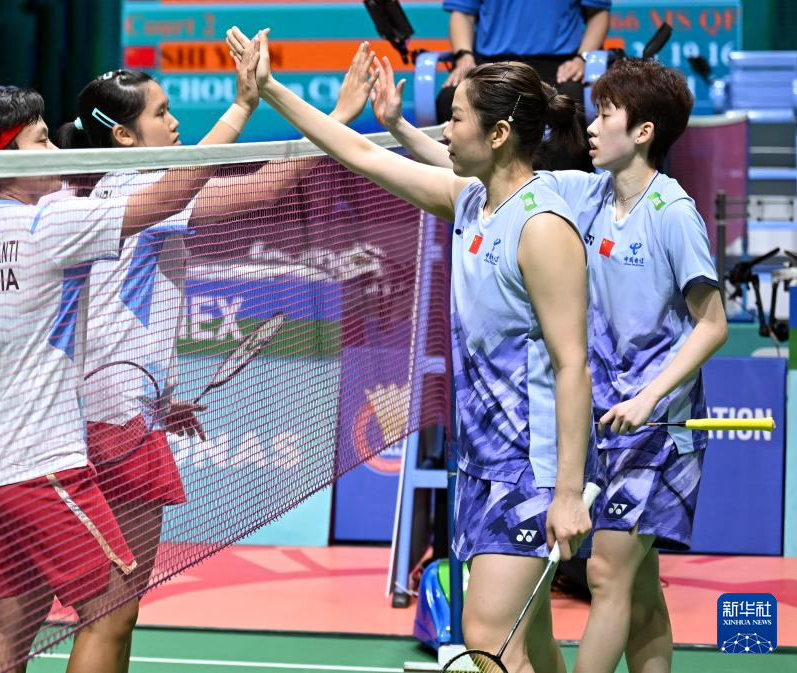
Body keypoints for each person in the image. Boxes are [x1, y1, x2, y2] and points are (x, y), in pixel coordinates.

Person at [226, 28, 594, 673]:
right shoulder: (472, 201)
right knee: (531, 642)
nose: (446, 131)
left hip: (526, 469)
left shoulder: (541, 227)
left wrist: (566, 493)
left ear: (498, 134)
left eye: (457, 119)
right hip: (480, 458)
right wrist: (272, 89)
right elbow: (360, 154)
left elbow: (573, 365)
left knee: (487, 636)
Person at [372, 55, 729, 673]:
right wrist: (399, 128)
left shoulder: (673, 214)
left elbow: (713, 324)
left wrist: (649, 397)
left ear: (643, 132)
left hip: (654, 427)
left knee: (607, 573)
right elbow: (479, 175)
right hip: (599, 419)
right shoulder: (587, 193)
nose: (591, 126)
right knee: (641, 593)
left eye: (606, 114)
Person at [53, 44, 377, 670]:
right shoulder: (144, 191)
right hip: (119, 428)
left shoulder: (100, 194)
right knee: (110, 615)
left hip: (106, 414)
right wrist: (332, 115)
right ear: (123, 136)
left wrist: (157, 399)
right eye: (161, 113)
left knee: (114, 615)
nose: (174, 121)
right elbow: (263, 186)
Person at [0, 86, 216, 673]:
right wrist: (243, 107)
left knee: (13, 627)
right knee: (112, 609)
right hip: (43, 463)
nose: (56, 151)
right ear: (8, 159)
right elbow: (170, 195)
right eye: (42, 141)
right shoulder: (49, 219)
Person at [439, 0, 610, 170]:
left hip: (559, 65)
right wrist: (464, 56)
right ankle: (466, 182)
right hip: (493, 64)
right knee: (449, 98)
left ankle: (561, 184)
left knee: (571, 101)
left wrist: (582, 58)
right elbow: (463, 13)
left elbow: (597, 13)